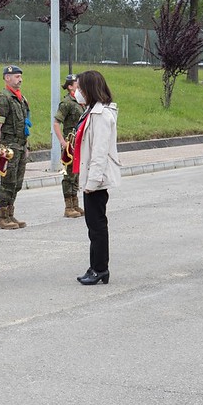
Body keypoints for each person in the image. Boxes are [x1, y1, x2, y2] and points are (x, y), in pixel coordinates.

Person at [74, 70, 120, 285]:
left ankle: (100, 268)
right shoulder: (92, 111)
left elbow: (99, 152)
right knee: (93, 225)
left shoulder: (101, 115)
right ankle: (96, 266)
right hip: (92, 178)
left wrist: (91, 182)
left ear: (90, 89)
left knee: (97, 225)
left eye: (81, 88)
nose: (77, 92)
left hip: (97, 180)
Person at [0, 65, 31, 229]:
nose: (20, 79)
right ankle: (2, 218)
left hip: (20, 146)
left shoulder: (21, 99)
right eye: (16, 76)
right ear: (7, 78)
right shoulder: (4, 98)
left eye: (20, 76)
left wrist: (26, 145)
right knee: (7, 182)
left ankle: (10, 214)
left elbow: (24, 125)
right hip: (9, 147)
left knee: (17, 183)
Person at [53, 73, 85, 218]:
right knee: (69, 175)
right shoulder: (66, 103)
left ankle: (75, 203)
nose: (79, 86)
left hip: (79, 143)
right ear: (70, 86)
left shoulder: (80, 101)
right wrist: (62, 141)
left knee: (76, 174)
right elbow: (56, 122)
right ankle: (68, 207)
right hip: (69, 144)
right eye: (76, 84)